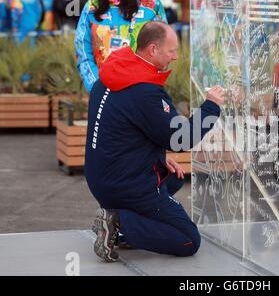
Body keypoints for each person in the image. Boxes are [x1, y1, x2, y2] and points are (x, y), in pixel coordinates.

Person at [85, 21, 225, 262]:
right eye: (171, 51)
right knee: (188, 239)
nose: (175, 57)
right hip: (126, 185)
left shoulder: (111, 75)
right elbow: (182, 138)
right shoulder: (144, 91)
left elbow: (122, 131)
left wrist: (158, 157)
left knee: (172, 178)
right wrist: (211, 106)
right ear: (152, 49)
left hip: (101, 178)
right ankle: (117, 220)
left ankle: (116, 230)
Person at [75, 0, 167, 92]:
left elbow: (162, 48)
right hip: (103, 94)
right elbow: (82, 52)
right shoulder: (92, 5)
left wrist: (143, 88)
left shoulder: (152, 4)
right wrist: (98, 88)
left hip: (141, 92)